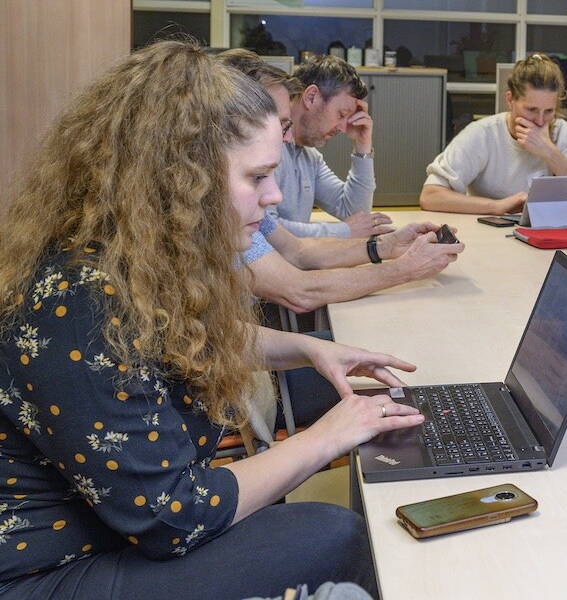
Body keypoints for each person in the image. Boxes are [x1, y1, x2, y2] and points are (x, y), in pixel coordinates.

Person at [0, 41, 426, 598]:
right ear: (181, 180)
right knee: (336, 534)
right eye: (257, 177)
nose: (274, 196)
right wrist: (327, 437)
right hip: (45, 573)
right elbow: (172, 516)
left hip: (114, 529)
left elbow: (182, 337)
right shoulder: (80, 301)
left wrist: (308, 349)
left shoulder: (132, 258)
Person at [218, 50, 464, 313]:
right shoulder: (219, 208)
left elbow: (297, 250)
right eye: (280, 125)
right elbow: (299, 290)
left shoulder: (301, 159)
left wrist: (387, 246)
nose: (286, 138)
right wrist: (404, 268)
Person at [420, 54, 567, 215]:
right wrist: (496, 206)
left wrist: (549, 152)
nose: (540, 121)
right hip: (490, 230)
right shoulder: (483, 133)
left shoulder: (560, 131)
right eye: (531, 110)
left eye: (549, 111)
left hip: (551, 227)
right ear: (510, 99)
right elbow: (430, 196)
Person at [275, 54, 393, 238]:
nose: (344, 128)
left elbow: (354, 213)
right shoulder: (268, 149)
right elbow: (263, 229)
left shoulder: (309, 156)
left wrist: (362, 146)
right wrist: (344, 231)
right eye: (341, 114)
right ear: (311, 97)